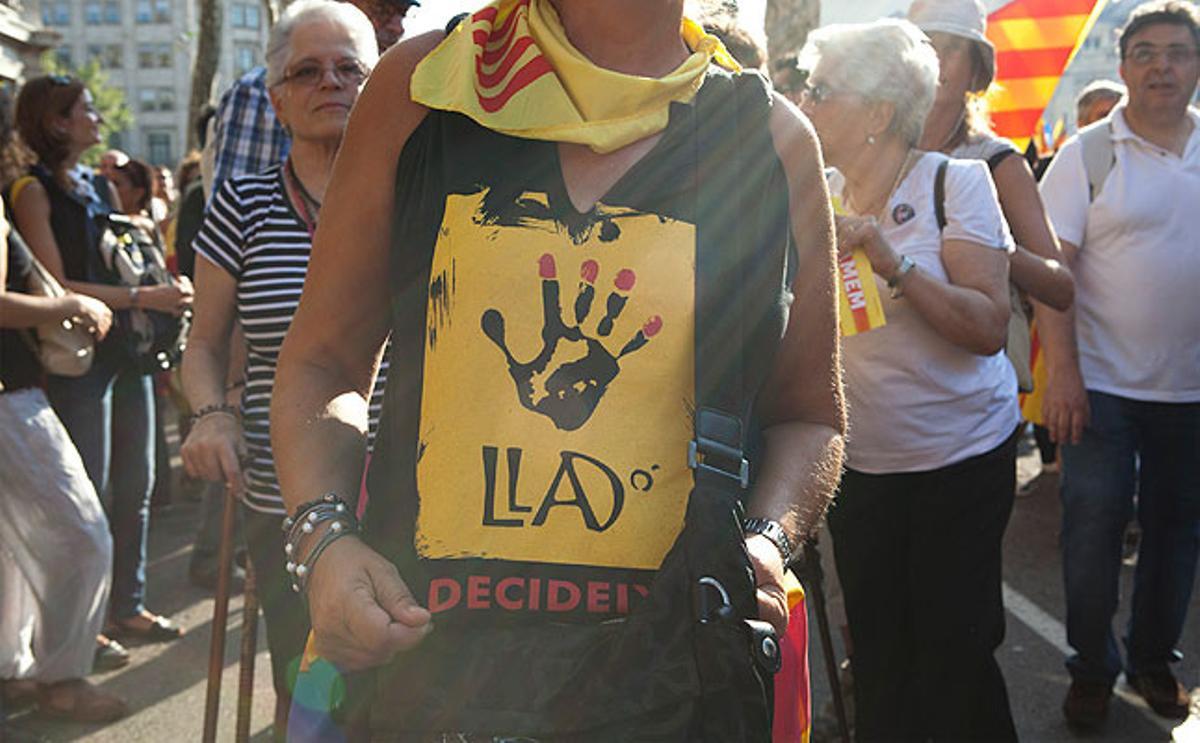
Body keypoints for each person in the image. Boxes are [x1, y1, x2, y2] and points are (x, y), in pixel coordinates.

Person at [271, 0, 845, 738]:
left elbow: (810, 415)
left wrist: (763, 541)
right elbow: (323, 361)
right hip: (432, 678)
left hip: (676, 684)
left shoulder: (769, 140)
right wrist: (324, 541)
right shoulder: (422, 91)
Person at [798, 19, 1021, 741]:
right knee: (880, 657)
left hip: (960, 462)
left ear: (879, 112)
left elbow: (988, 327)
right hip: (862, 469)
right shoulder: (812, 192)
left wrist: (889, 258)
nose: (803, 102)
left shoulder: (958, 183)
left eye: (821, 89)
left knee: (954, 660)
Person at [180, 1, 382, 735]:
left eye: (349, 68)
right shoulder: (239, 202)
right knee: (309, 688)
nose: (330, 82)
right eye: (306, 70)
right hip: (283, 497)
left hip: (406, 495)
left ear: (377, 81)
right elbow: (201, 344)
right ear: (276, 98)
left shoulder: (417, 199)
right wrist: (211, 412)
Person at [1037, 0, 1200, 728]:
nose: (1162, 65)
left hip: (1191, 394)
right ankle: (1092, 667)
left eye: (1178, 52)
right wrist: (1063, 375)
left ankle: (1152, 660)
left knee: (1175, 532)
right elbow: (1051, 271)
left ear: (1196, 66)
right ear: (1124, 66)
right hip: (1100, 387)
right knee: (1092, 529)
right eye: (1146, 53)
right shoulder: (1087, 154)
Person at [8, 75, 191, 645]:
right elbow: (58, 285)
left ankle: (126, 604)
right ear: (57, 121)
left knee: (135, 488)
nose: (97, 117)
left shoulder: (97, 185)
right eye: (85, 109)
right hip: (80, 362)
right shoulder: (30, 191)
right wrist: (144, 297)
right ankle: (83, 630)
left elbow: (120, 263)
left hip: (128, 355)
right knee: (89, 496)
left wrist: (154, 284)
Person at [0, 86, 127, 726]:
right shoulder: (22, 193)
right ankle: (64, 679)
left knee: (15, 540)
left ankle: (19, 670)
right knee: (81, 533)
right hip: (9, 395)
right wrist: (72, 305)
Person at [909, 0, 1074, 389]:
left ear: (975, 72)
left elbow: (1060, 286)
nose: (937, 60)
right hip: (886, 392)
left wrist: (989, 245)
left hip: (977, 395)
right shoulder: (872, 151)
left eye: (952, 47)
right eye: (926, 44)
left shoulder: (998, 161)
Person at [207, 0, 419, 199]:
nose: (396, 28)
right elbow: (239, 219)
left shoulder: (407, 98)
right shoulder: (257, 96)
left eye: (402, 14)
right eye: (383, 11)